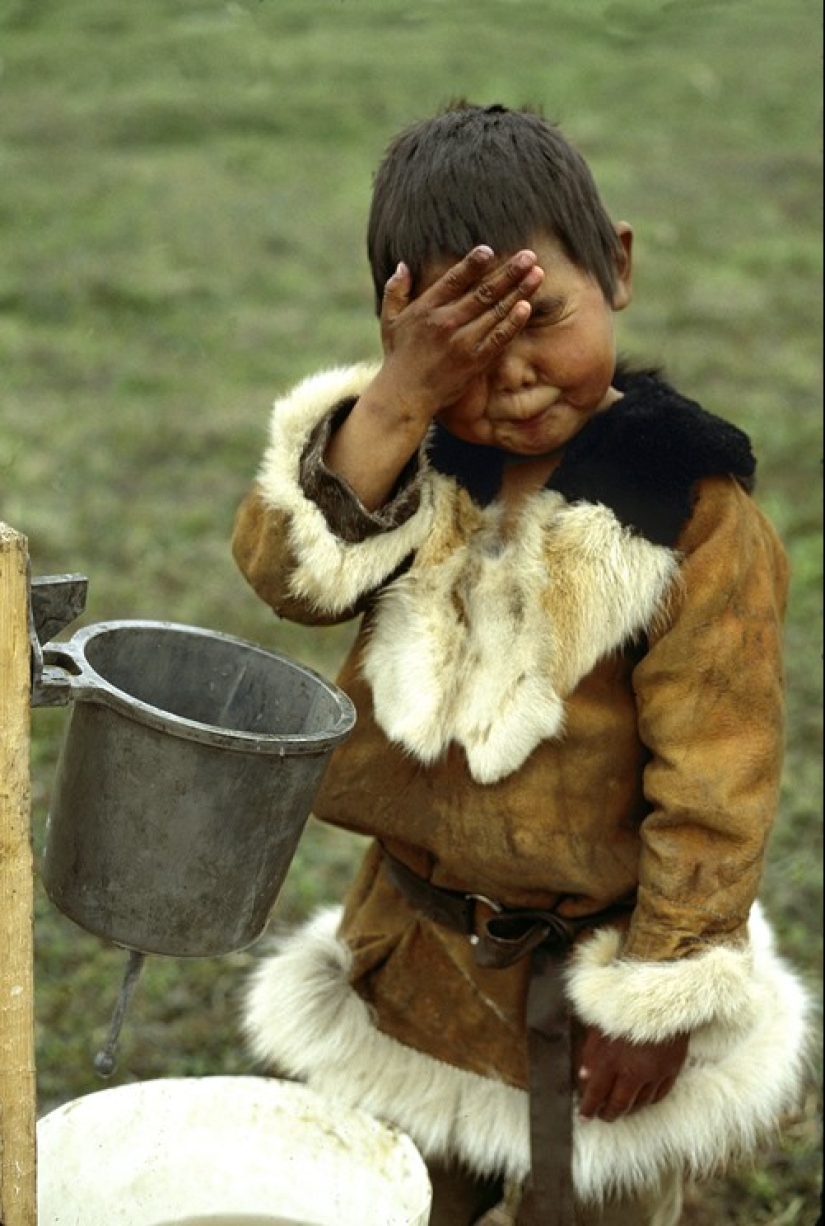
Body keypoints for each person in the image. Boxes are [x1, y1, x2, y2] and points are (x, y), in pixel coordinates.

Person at [231, 102, 810, 1225]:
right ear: (402, 330)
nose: (513, 378)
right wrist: (396, 399)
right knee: (386, 1199)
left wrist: (655, 996)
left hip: (603, 971)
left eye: (542, 316)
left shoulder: (693, 512)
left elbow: (720, 771)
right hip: (417, 958)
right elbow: (291, 579)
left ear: (620, 267)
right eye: (462, 348)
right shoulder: (404, 458)